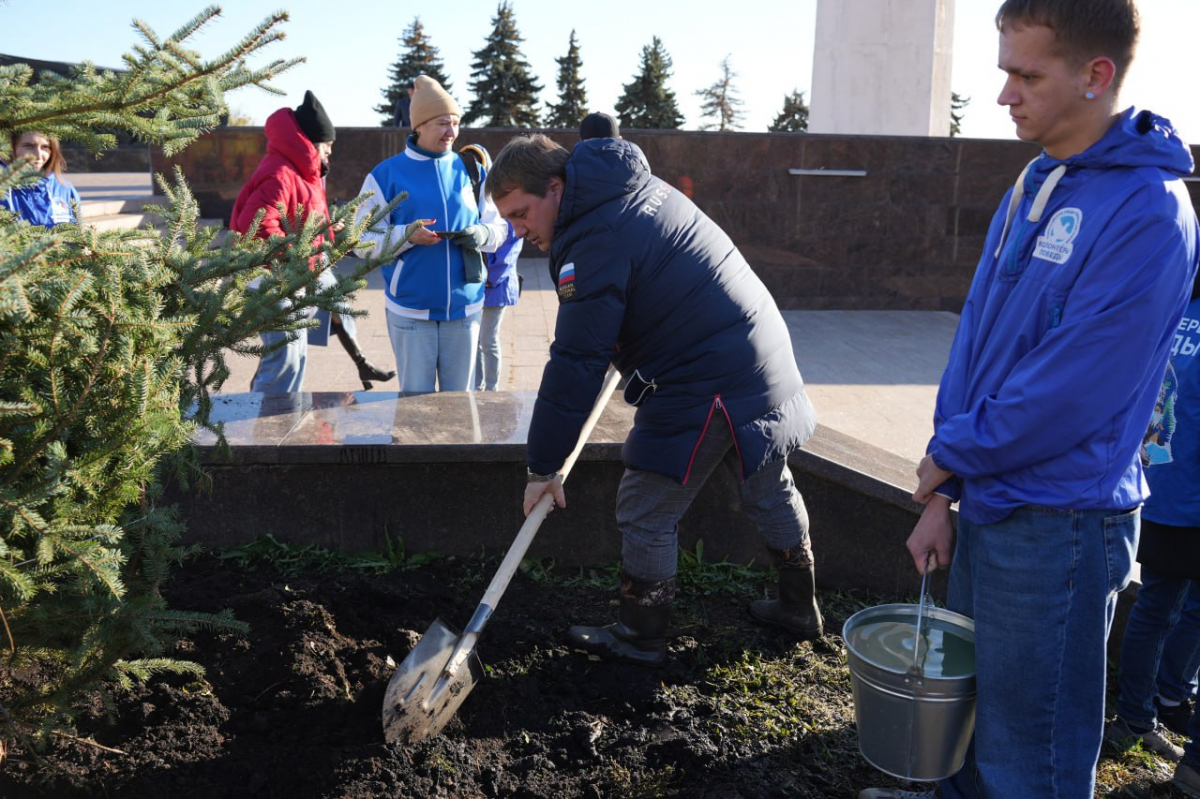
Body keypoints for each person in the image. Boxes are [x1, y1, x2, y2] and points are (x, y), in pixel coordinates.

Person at [861, 1, 1200, 797]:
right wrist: (947, 485)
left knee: (1030, 758)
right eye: (1004, 71)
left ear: (1097, 75)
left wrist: (954, 455)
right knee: (970, 724)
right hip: (993, 497)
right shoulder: (1039, 179)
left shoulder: (1150, 214)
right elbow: (979, 342)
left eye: (1027, 74)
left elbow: (1073, 389)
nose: (1006, 93)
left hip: (1061, 522)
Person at [487, 133, 822, 665]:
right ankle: (800, 607)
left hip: (706, 376)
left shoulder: (593, 237)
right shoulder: (628, 189)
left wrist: (543, 465)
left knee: (645, 506)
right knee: (768, 484)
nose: (518, 231)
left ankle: (640, 637)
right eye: (508, 219)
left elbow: (576, 362)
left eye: (522, 213)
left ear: (555, 188)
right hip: (761, 355)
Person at [1105, 271, 1200, 796]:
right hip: (1192, 498)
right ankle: (1172, 702)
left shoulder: (1175, 308)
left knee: (1155, 605)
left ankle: (1137, 717)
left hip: (1157, 487)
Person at [231, 90, 395, 393]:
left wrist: (329, 227)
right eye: (328, 145)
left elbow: (301, 217)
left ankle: (355, 367)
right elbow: (255, 226)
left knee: (310, 336)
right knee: (285, 357)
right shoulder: (280, 173)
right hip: (272, 279)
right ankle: (262, 422)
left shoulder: (306, 173)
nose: (331, 152)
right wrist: (301, 252)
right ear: (311, 143)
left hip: (300, 271)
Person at [355, 75, 508, 393]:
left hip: (466, 310)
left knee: (460, 409)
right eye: (442, 123)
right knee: (414, 409)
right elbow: (360, 240)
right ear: (419, 126)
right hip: (411, 311)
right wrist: (405, 235)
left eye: (455, 122)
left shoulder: (472, 170)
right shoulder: (385, 175)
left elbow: (500, 228)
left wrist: (482, 234)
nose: (451, 131)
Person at [459, 143, 524, 392]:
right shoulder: (469, 199)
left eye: (476, 162)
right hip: (476, 283)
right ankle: (476, 385)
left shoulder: (500, 197)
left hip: (497, 286)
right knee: (473, 341)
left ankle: (493, 388)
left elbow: (511, 246)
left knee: (488, 339)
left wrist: (491, 278)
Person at [1, 131, 80, 227]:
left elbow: (76, 234)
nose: (38, 155)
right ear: (11, 148)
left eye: (45, 147)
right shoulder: (3, 188)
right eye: (28, 146)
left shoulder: (64, 188)